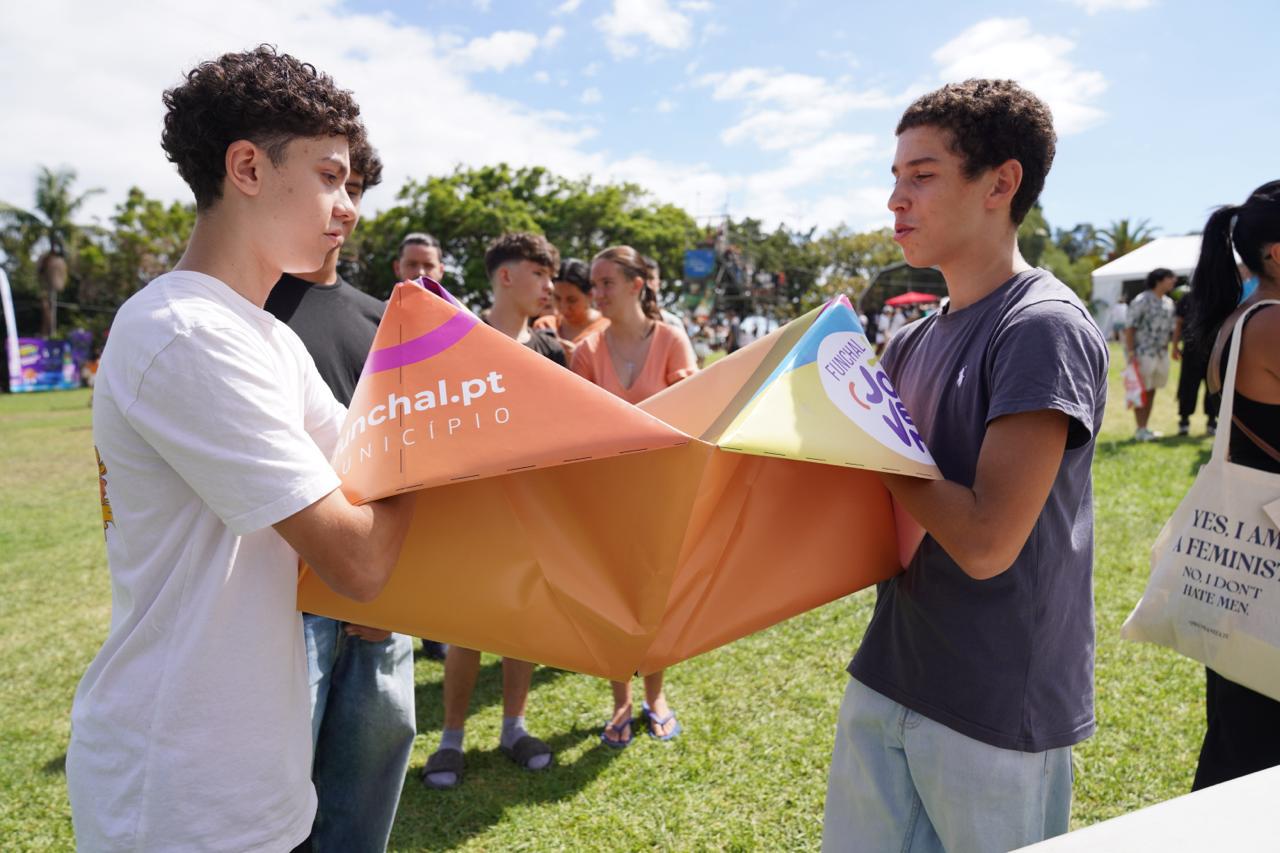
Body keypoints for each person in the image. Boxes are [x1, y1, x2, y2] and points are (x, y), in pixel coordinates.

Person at [66, 46, 416, 852]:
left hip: (257, 777)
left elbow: (367, 467)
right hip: (178, 793)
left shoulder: (264, 336)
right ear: (248, 167)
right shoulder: (184, 330)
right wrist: (438, 435)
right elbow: (357, 558)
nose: (348, 206)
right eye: (330, 176)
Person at [823, 79, 1107, 852]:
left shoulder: (1041, 327)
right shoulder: (911, 339)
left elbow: (985, 543)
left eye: (921, 175)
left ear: (1000, 183)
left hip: (995, 700)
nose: (895, 201)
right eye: (894, 178)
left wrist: (868, 445)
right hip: (890, 668)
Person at [262, 140, 415, 852]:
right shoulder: (246, 315)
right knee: (280, 796)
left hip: (381, 587)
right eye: (330, 182)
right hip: (284, 599)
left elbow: (407, 451)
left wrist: (389, 598)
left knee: (364, 799)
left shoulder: (386, 320)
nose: (344, 208)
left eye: (354, 189)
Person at [421, 231, 562, 791]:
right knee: (466, 628)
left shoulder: (556, 351)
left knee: (524, 623)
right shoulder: (457, 340)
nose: (550, 287)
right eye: (539, 274)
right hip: (470, 513)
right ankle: (450, 740)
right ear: (506, 276)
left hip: (535, 515)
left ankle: (514, 727)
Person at [571, 245, 697, 746]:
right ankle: (621, 702)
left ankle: (656, 697)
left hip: (664, 495)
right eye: (594, 283)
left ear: (636, 286)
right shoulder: (586, 350)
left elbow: (690, 417)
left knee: (658, 601)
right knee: (614, 604)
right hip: (607, 498)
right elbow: (579, 428)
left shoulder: (671, 340)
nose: (595, 292)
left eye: (605, 283)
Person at [1185, 181, 1280, 791]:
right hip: (1270, 561)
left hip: (1248, 565)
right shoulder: (1273, 322)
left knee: (1240, 739)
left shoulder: (1240, 318)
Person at [388, 231, 450, 662]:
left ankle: (436, 629)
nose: (421, 274)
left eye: (429, 266)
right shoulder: (381, 320)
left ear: (442, 270)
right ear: (398, 269)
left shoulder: (457, 324)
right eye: (413, 265)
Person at [1125, 267, 1178, 441]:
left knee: (1152, 389)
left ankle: (1145, 428)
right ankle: (1140, 429)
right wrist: (1131, 352)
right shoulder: (1142, 300)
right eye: (1170, 278)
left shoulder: (1168, 303)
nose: (1173, 282)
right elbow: (1130, 327)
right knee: (1141, 390)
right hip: (1143, 352)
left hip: (1160, 354)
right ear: (1159, 280)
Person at [1172, 287, 1220, 436]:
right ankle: (1184, 421)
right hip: (1192, 349)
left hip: (1214, 349)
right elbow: (1179, 323)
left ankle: (1212, 421)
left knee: (1213, 386)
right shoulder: (1188, 298)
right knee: (1188, 385)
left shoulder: (1220, 296)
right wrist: (1174, 345)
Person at [534, 257, 609, 349]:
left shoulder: (607, 329)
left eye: (572, 300)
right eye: (557, 298)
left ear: (590, 295)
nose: (563, 307)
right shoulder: (545, 326)